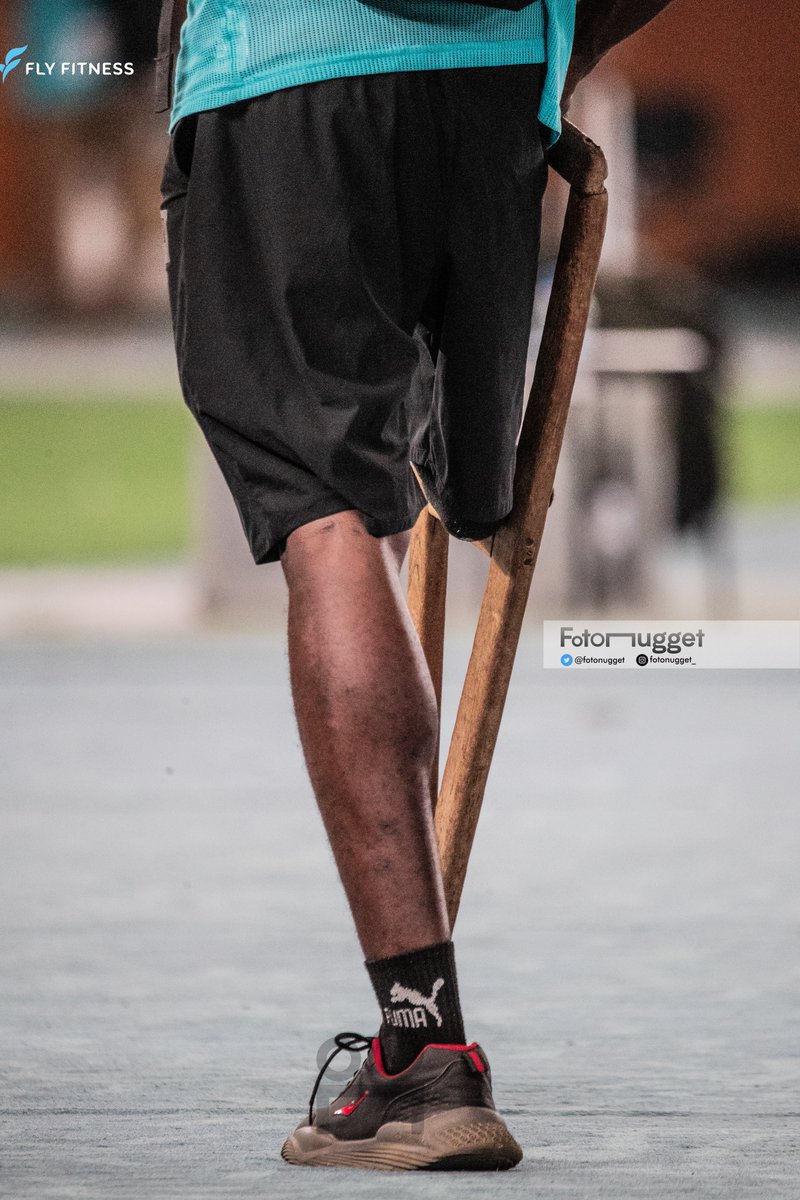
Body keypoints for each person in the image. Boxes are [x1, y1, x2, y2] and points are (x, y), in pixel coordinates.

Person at [159, 0, 674, 1171]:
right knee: (391, 503)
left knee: (323, 508)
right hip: (492, 90)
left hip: (282, 73)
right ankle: (418, 1037)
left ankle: (419, 1056)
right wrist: (562, 46)